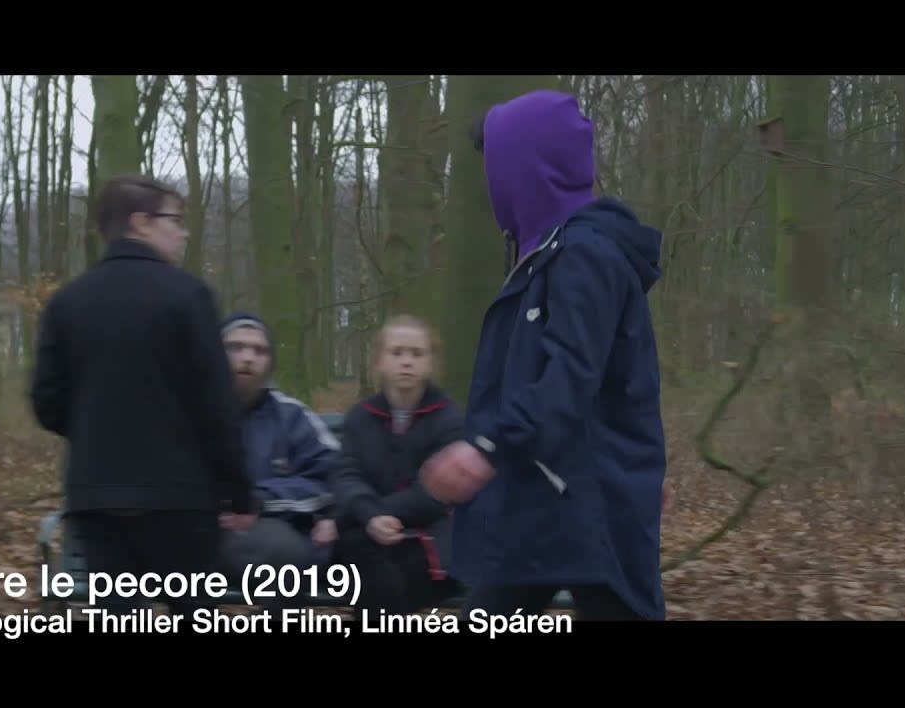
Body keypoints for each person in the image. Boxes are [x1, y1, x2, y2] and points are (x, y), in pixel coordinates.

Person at [420, 90, 669, 621]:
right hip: (544, 500)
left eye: (495, 165)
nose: (491, 183)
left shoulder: (586, 255)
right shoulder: (550, 253)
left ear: (525, 169)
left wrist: (485, 447)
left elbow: (571, 375)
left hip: (592, 504)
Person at [29, 174, 254, 618]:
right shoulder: (188, 297)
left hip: (97, 492)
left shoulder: (68, 302)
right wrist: (239, 492)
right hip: (180, 496)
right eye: (175, 220)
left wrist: (95, 427)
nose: (183, 233)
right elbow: (216, 407)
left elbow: (46, 402)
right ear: (141, 222)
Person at [330, 315, 465, 615]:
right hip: (366, 533)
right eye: (397, 353)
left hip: (433, 534)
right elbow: (347, 473)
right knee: (362, 556)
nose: (407, 362)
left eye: (417, 354)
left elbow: (436, 489)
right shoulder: (360, 417)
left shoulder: (449, 419)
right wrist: (369, 515)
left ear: (430, 364)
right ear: (379, 361)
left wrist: (377, 514)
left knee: (392, 577)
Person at [218, 311, 340, 607]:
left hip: (269, 533)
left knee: (287, 557)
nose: (248, 357)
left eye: (259, 350)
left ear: (271, 361)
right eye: (235, 347)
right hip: (198, 530)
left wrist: (260, 500)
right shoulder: (190, 410)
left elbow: (332, 476)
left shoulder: (291, 416)